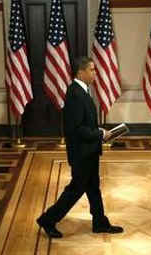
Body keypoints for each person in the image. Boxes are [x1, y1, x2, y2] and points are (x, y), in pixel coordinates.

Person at [37, 57, 124, 238]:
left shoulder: (82, 91)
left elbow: (85, 123)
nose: (95, 73)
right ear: (80, 72)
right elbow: (76, 129)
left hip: (89, 151)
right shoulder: (75, 94)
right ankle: (48, 219)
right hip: (82, 154)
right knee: (75, 190)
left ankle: (100, 222)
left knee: (93, 187)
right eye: (91, 70)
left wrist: (98, 131)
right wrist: (100, 134)